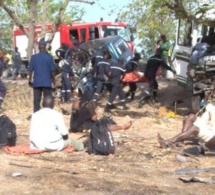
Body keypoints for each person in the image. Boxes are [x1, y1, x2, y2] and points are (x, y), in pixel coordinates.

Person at [29, 40, 56, 113]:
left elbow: (30, 70)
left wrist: (30, 80)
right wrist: (54, 81)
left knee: (36, 101)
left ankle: (36, 115)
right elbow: (52, 71)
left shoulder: (34, 57)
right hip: (47, 82)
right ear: (45, 47)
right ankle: (47, 114)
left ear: (38, 47)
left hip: (37, 83)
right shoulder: (49, 57)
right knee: (47, 100)